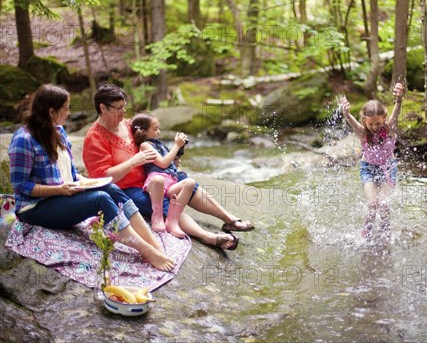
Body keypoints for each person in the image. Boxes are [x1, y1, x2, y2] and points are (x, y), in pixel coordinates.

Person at [8, 84, 175, 271]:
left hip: (63, 195)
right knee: (100, 199)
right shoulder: (23, 139)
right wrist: (59, 190)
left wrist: (86, 181)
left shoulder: (59, 131)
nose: (69, 113)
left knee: (111, 188)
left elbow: (69, 173)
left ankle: (155, 245)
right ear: (51, 112)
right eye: (66, 109)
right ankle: (146, 251)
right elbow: (20, 185)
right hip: (36, 208)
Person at [82, 84, 253, 251]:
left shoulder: (129, 125)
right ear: (103, 108)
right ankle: (208, 237)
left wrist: (170, 161)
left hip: (154, 176)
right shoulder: (95, 138)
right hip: (127, 189)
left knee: (186, 182)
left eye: (124, 107)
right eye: (118, 108)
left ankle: (229, 219)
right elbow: (102, 179)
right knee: (165, 203)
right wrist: (133, 162)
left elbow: (153, 144)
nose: (123, 112)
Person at [339, 82, 405, 241]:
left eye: (378, 123)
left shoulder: (389, 129)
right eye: (371, 124)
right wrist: (346, 113)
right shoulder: (362, 132)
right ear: (364, 121)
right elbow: (350, 120)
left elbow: (396, 113)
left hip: (388, 168)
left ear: (384, 119)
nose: (375, 127)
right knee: (372, 204)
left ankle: (385, 232)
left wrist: (399, 100)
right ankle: (366, 234)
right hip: (368, 168)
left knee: (383, 204)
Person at [130, 113, 198, 241]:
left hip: (170, 183)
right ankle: (157, 217)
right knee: (159, 180)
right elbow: (162, 163)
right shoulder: (145, 145)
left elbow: (170, 165)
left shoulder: (160, 145)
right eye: (155, 129)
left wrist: (177, 156)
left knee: (190, 183)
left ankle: (172, 221)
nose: (158, 131)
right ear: (143, 132)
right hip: (155, 183)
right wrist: (176, 145)